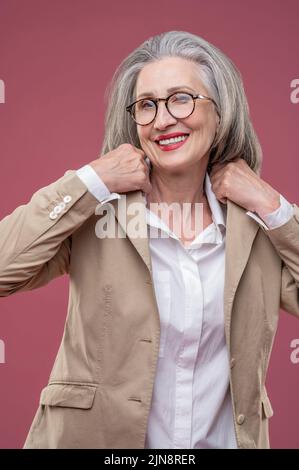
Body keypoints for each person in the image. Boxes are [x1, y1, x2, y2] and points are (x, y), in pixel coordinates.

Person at [0, 30, 298, 450]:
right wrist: (91, 181)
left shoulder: (257, 229)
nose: (162, 120)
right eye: (147, 106)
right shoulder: (96, 212)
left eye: (181, 98)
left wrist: (273, 205)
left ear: (221, 112)